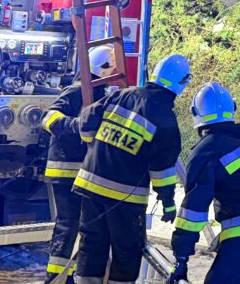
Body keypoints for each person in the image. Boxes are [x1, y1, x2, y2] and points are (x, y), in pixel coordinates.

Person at [72, 53, 189, 284]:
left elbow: (86, 121)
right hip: (123, 198)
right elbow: (163, 171)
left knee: (91, 245)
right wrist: (167, 203)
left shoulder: (121, 95)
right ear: (183, 83)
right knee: (126, 251)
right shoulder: (164, 118)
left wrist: (92, 143)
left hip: (89, 185)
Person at [168, 82, 240, 284]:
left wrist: (181, 255)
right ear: (232, 108)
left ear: (195, 113)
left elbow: (195, 207)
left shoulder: (206, 149)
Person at [41, 46, 117, 284]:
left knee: (84, 225)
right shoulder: (76, 91)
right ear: (101, 68)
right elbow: (50, 118)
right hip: (65, 169)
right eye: (111, 68)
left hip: (85, 171)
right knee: (68, 223)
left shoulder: (99, 92)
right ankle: (55, 277)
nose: (113, 73)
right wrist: (77, 126)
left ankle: (72, 275)